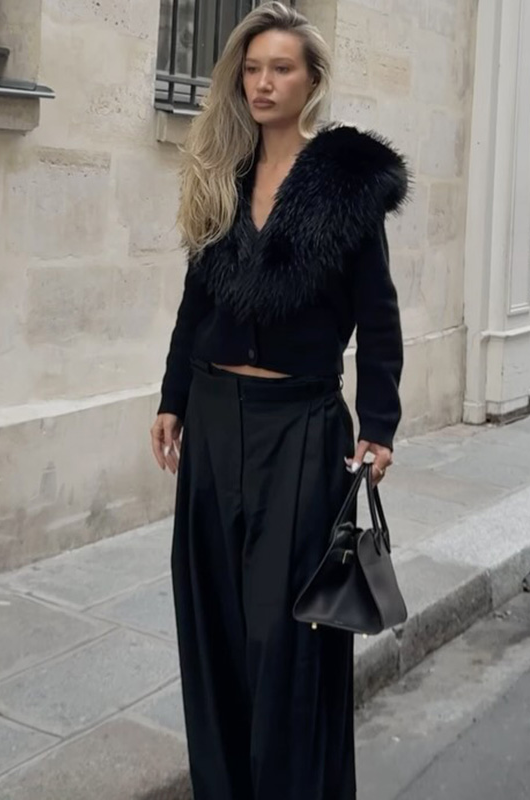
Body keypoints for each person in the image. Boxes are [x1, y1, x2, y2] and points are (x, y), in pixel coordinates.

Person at [150, 3, 407, 798]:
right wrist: (171, 398)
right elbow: (196, 303)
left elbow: (378, 316)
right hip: (212, 418)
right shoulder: (220, 174)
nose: (263, 83)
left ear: (312, 80)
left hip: (300, 427)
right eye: (252, 69)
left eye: (281, 69)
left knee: (287, 632)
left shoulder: (345, 185)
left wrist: (379, 425)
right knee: (214, 621)